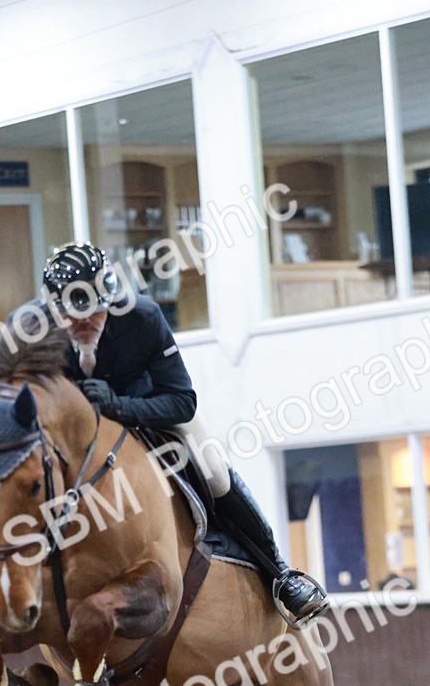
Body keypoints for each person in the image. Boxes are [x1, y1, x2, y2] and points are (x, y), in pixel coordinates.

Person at [32, 241, 329, 627]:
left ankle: (281, 575)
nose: (83, 322)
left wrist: (120, 406)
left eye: (93, 310)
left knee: (213, 469)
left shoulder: (142, 317)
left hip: (147, 413)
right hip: (73, 436)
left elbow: (182, 401)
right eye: (72, 315)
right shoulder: (36, 334)